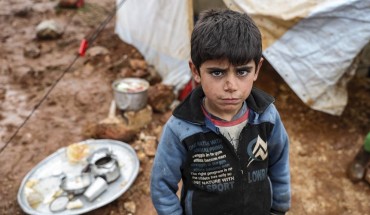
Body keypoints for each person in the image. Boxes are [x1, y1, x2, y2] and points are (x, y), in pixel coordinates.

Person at [150, 9, 291, 215]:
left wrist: (279, 207)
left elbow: (279, 165)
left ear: (257, 69)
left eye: (242, 71)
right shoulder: (181, 128)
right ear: (196, 71)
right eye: (217, 72)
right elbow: (162, 185)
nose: (231, 85)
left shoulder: (267, 116)